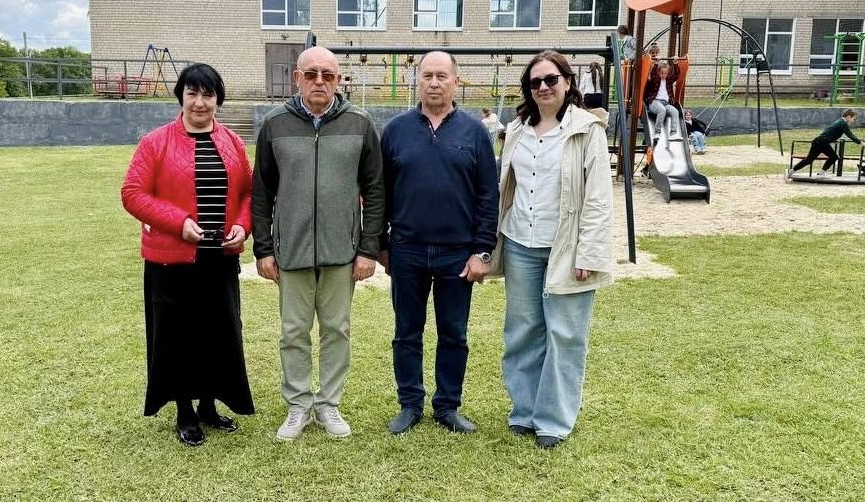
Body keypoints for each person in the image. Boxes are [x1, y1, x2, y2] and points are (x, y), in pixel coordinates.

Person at [251, 47, 384, 441]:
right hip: (291, 249)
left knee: (336, 329)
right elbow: (262, 192)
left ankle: (328, 404)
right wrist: (264, 248)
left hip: (341, 250)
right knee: (293, 331)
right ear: (297, 78)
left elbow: (375, 189)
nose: (320, 82)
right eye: (311, 74)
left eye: (328, 74)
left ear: (339, 79)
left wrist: (368, 248)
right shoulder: (274, 124)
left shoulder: (360, 123)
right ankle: (298, 405)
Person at [120, 63, 254, 447]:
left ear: (218, 100)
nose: (199, 102)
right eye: (192, 93)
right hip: (171, 261)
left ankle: (208, 406)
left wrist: (242, 226)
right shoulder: (156, 142)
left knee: (218, 333)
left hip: (219, 258)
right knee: (177, 336)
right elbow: (132, 193)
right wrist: (178, 223)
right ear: (180, 96)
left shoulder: (231, 142)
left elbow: (248, 192)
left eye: (207, 94)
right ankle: (184, 411)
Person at [494, 50, 613, 449]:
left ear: (567, 81)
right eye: (535, 82)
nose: (543, 87)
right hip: (520, 243)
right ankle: (524, 411)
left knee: (565, 334)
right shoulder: (517, 129)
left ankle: (553, 420)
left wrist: (588, 253)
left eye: (551, 79)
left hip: (566, 246)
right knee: (522, 331)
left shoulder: (587, 131)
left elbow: (598, 198)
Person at [379, 51, 499, 436]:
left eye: (442, 76)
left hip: (457, 255)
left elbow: (488, 196)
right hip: (407, 250)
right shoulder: (395, 131)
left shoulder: (474, 133)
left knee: (454, 334)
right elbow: (379, 192)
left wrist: (482, 251)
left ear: (456, 82)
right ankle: (410, 404)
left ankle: (447, 406)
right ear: (417, 81)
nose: (434, 82)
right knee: (406, 332)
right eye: (427, 75)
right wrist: (381, 244)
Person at [787, 109, 861, 177]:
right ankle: (792, 171)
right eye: (853, 119)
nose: (853, 121)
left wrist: (833, 140)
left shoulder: (840, 122)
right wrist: (860, 143)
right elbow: (850, 135)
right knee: (810, 160)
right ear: (848, 117)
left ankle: (820, 173)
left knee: (832, 157)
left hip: (822, 143)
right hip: (820, 143)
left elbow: (830, 133)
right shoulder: (843, 123)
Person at [643, 58, 682, 140]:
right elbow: (653, 74)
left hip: (666, 103)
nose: (663, 75)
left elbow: (676, 75)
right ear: (658, 72)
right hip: (655, 102)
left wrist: (675, 64)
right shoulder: (655, 80)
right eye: (661, 73)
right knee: (662, 110)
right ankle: (657, 132)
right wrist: (656, 63)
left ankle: (673, 133)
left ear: (668, 73)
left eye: (665, 73)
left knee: (675, 111)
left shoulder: (669, 81)